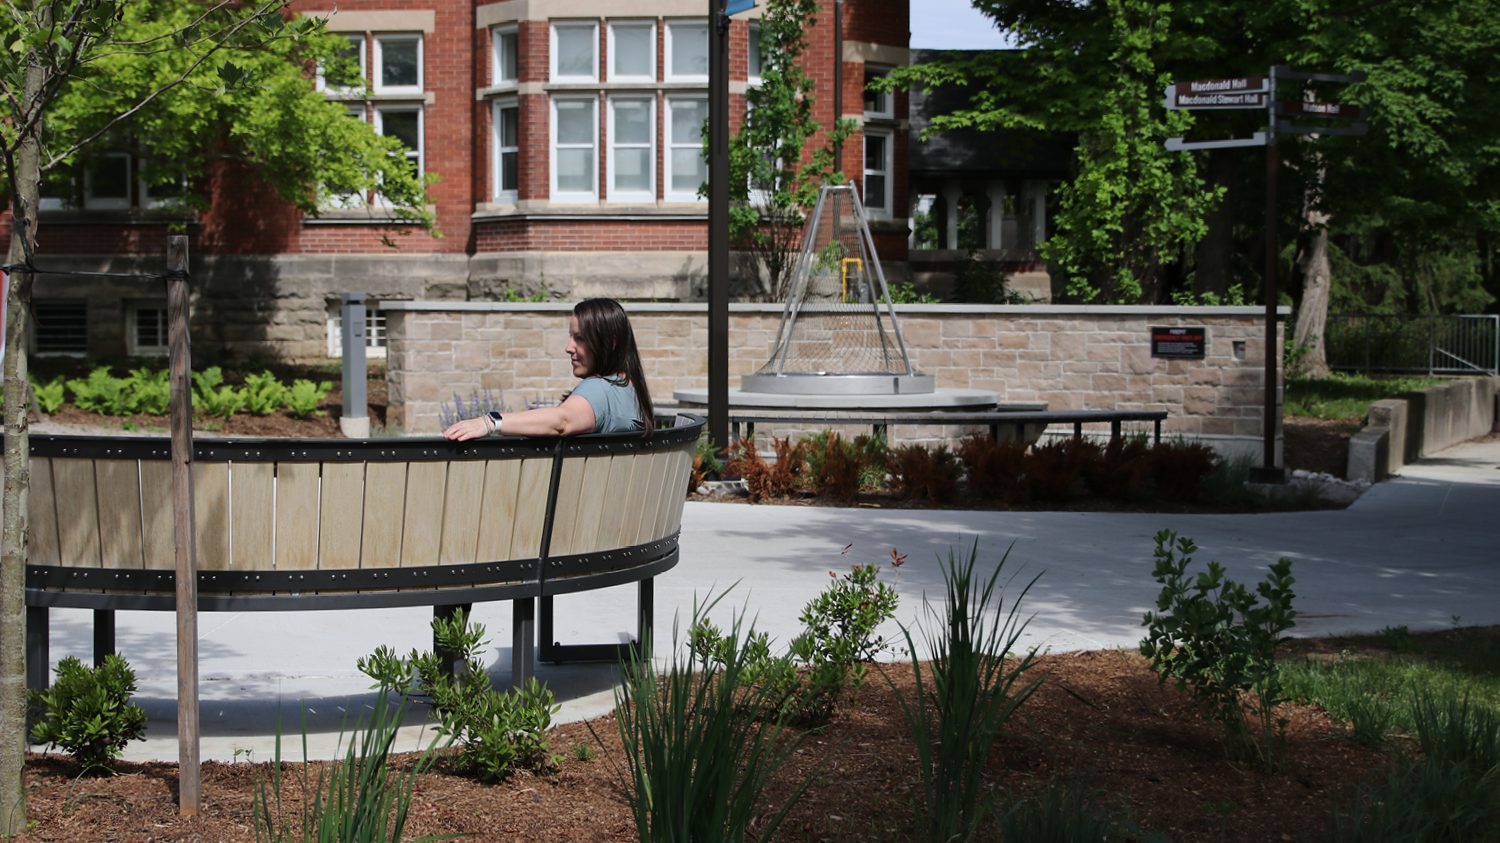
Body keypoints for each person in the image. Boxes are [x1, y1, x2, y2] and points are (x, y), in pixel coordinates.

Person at [442, 298, 655, 440]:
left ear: (611, 343)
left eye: (580, 338)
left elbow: (562, 421)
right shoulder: (630, 388)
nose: (568, 348)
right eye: (571, 337)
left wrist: (490, 422)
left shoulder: (599, 390)